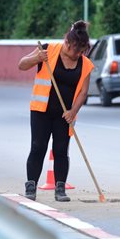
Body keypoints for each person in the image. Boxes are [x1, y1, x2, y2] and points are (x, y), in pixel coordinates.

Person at [18, 21, 94, 202]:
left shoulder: (85, 65)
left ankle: (60, 188)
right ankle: (31, 186)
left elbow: (83, 93)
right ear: (66, 42)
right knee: (38, 147)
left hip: (65, 115)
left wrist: (73, 112)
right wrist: (36, 59)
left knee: (61, 150)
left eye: (81, 51)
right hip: (41, 111)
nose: (77, 54)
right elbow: (21, 65)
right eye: (75, 49)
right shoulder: (47, 50)